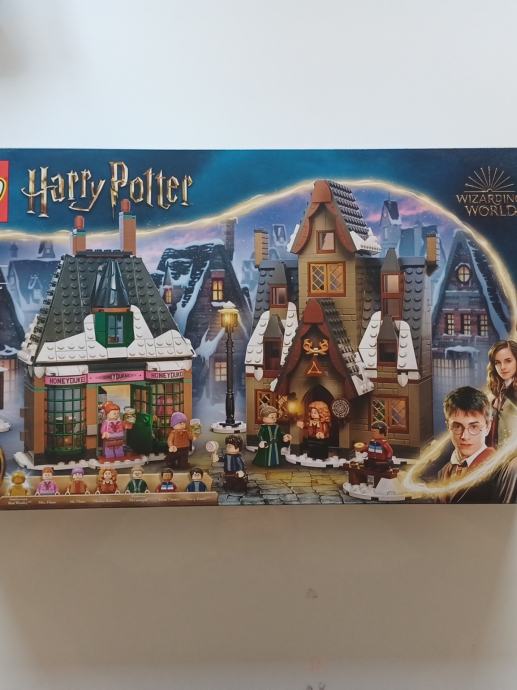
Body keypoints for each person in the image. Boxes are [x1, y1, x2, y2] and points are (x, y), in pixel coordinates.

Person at [425, 386, 517, 503]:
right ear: (448, 427)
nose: (465, 436)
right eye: (457, 426)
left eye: (474, 427)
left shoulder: (500, 473)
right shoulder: (443, 472)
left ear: (488, 426)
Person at [486, 340, 517, 448]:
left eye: (508, 361)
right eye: (497, 362)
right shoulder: (498, 390)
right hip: (496, 452)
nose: (502, 367)